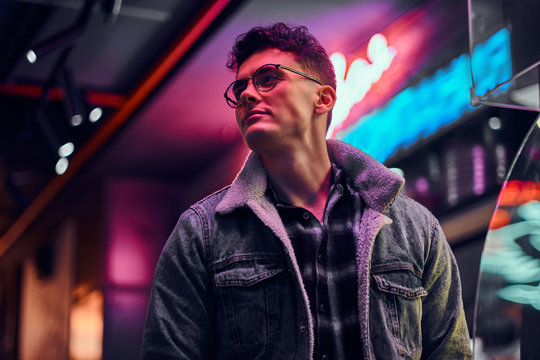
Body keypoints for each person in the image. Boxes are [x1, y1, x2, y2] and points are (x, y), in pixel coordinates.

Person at [141, 22, 472, 359]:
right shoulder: (201, 233)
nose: (247, 95)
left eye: (268, 78)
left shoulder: (415, 228)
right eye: (239, 88)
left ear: (323, 98)